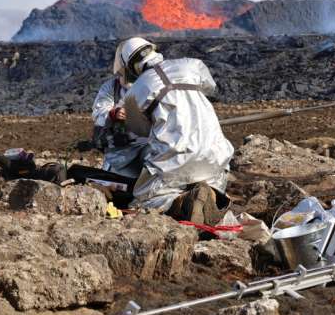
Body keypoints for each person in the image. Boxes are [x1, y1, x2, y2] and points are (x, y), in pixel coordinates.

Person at [120, 37, 233, 225]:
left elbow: (138, 130)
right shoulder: (192, 64)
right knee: (211, 182)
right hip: (216, 156)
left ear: (133, 67)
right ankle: (209, 195)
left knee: (142, 201)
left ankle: (180, 202)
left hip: (175, 161)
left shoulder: (136, 90)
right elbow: (210, 88)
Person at [91, 41, 147, 179]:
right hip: (120, 156)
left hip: (150, 151)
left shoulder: (155, 86)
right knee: (116, 184)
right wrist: (113, 114)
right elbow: (99, 112)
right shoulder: (112, 88)